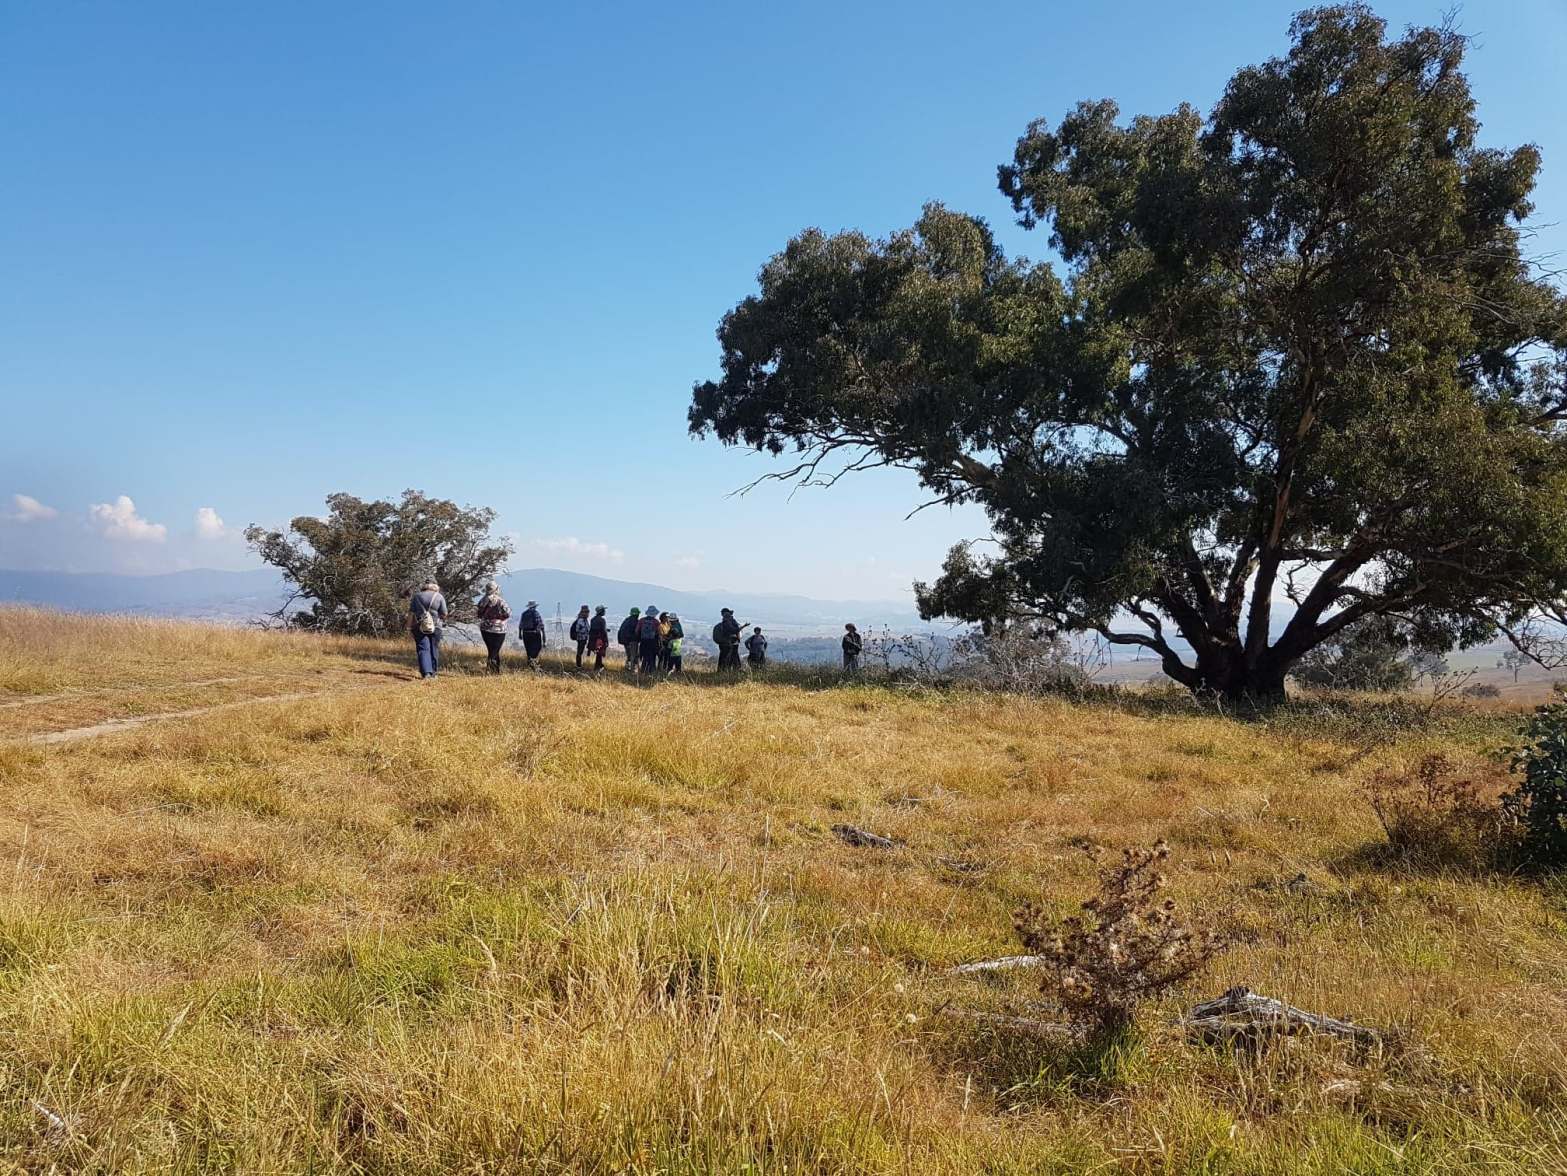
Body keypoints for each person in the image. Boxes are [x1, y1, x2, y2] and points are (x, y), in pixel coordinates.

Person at [409, 579, 447, 679]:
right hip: (436, 626)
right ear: (435, 586)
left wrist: (409, 627)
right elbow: (444, 613)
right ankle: (434, 673)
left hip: (419, 625)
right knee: (434, 648)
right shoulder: (439, 597)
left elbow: (411, 613)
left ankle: (426, 673)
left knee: (423, 648)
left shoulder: (417, 596)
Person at [475, 581, 511, 673]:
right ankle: (490, 670)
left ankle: (495, 670)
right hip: (499, 629)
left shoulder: (482, 601)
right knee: (494, 651)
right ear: (496, 590)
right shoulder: (500, 601)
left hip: (485, 629)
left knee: (492, 650)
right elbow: (508, 613)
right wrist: (500, 618)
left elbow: (478, 614)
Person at [518, 600, 546, 669]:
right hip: (534, 634)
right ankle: (533, 663)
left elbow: (521, 625)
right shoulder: (536, 613)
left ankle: (530, 665)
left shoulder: (524, 614)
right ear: (535, 606)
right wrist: (543, 636)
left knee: (528, 650)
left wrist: (520, 634)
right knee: (537, 648)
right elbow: (540, 624)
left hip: (525, 634)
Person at [714, 607, 744, 672]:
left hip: (728, 642)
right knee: (731, 656)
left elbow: (734, 630)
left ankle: (723, 670)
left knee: (725, 657)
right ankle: (733, 670)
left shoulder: (727, 621)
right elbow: (736, 630)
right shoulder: (730, 621)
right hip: (731, 642)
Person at [637, 604, 661, 675]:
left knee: (645, 657)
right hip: (653, 642)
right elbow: (659, 632)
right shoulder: (656, 622)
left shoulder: (641, 620)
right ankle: (652, 671)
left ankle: (643, 671)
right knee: (652, 657)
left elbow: (637, 631)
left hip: (643, 642)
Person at [588, 605, 610, 671]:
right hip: (600, 639)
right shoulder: (602, 620)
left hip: (593, 639)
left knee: (598, 653)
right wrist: (606, 641)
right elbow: (603, 631)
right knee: (599, 653)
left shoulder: (593, 619)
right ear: (601, 611)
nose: (604, 612)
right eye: (604, 610)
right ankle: (598, 667)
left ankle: (599, 666)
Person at [569, 604, 591, 669]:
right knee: (579, 652)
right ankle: (578, 665)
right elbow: (578, 630)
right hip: (581, 638)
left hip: (583, 638)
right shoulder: (581, 620)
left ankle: (579, 665)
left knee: (580, 652)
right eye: (586, 612)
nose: (587, 614)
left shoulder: (585, 620)